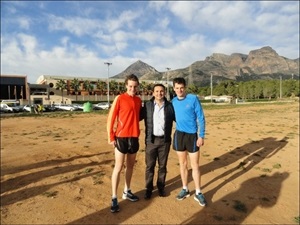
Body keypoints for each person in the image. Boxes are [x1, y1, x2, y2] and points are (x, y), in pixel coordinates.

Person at [106, 74, 143, 213]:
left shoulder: (139, 100)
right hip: (121, 137)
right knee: (118, 167)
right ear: (126, 86)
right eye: (130, 86)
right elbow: (111, 118)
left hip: (133, 137)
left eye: (135, 86)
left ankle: (127, 191)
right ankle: (114, 197)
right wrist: (111, 136)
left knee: (131, 167)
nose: (132, 88)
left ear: (137, 86)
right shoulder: (119, 98)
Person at [171, 77, 207, 206]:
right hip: (180, 135)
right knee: (182, 164)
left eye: (181, 88)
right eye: (177, 88)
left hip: (192, 136)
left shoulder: (193, 99)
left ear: (185, 87)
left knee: (195, 165)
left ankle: (198, 192)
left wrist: (201, 136)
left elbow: (201, 118)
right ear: (174, 89)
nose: (179, 90)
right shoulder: (173, 101)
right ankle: (185, 189)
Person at [143, 84, 175, 199]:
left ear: (164, 92)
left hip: (164, 141)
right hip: (151, 140)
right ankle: (148, 189)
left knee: (162, 166)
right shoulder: (147, 106)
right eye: (156, 91)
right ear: (153, 93)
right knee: (149, 166)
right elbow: (136, 116)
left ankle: (161, 187)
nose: (159, 93)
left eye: (161, 91)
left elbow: (179, 119)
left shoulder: (170, 106)